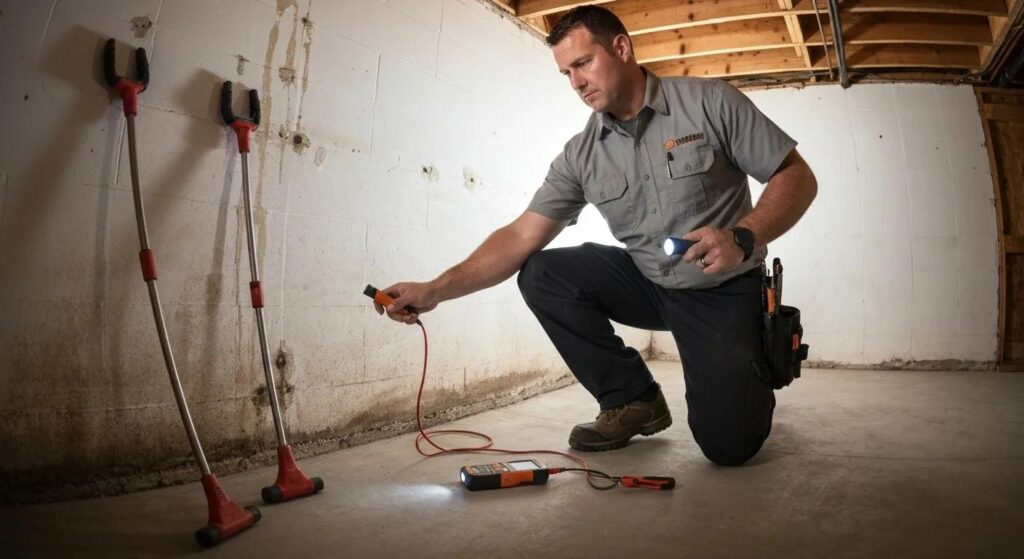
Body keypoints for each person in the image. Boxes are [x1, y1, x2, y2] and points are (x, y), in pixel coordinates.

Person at [374, 6, 817, 466]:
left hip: (721, 289)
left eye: (583, 63)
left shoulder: (709, 102)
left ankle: (748, 371)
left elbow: (797, 177)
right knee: (543, 272)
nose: (576, 82)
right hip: (649, 283)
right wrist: (435, 290)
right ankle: (632, 399)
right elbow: (520, 235)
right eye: (566, 72)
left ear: (621, 48)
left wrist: (742, 237)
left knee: (728, 447)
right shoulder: (582, 155)